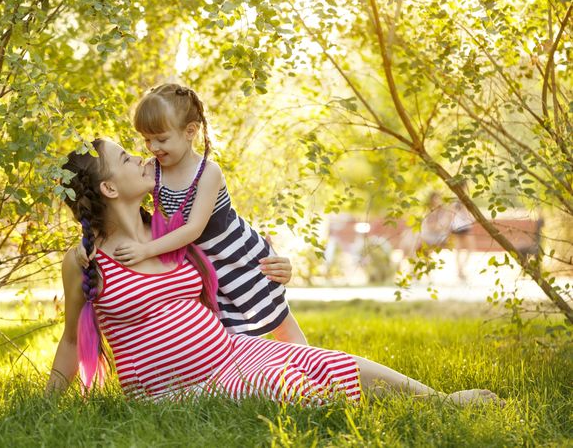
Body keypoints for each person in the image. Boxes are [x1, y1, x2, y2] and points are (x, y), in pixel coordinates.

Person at [48, 138, 502, 407]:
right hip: (179, 391)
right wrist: (48, 405)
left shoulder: (174, 229)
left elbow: (235, 254)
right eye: (127, 158)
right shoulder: (87, 259)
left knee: (324, 361)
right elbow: (71, 340)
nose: (142, 158)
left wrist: (275, 266)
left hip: (230, 354)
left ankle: (442, 402)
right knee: (297, 390)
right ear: (109, 188)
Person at [77, 84, 307, 345]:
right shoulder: (153, 170)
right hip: (203, 261)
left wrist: (146, 250)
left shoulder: (208, 172)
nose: (152, 147)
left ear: (190, 131)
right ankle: (247, 373)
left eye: (161, 139)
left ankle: (309, 366)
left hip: (234, 253)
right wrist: (87, 243)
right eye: (146, 139)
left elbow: (193, 229)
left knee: (275, 316)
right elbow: (114, 208)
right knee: (228, 331)